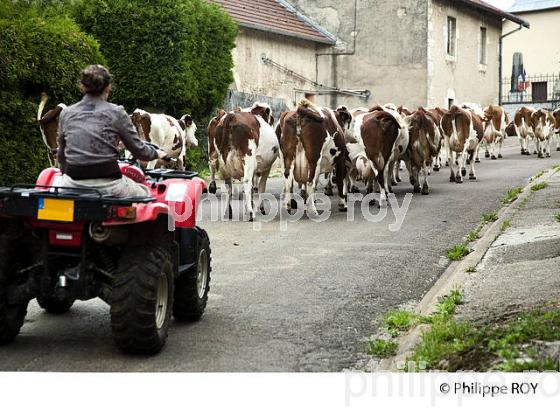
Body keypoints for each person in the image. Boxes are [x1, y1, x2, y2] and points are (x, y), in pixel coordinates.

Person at [57, 64, 167, 197]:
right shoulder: (117, 113)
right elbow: (139, 150)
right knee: (147, 194)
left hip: (71, 184)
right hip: (109, 185)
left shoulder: (67, 113)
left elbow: (61, 156)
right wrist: (157, 153)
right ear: (108, 87)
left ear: (83, 86)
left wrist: (67, 177)